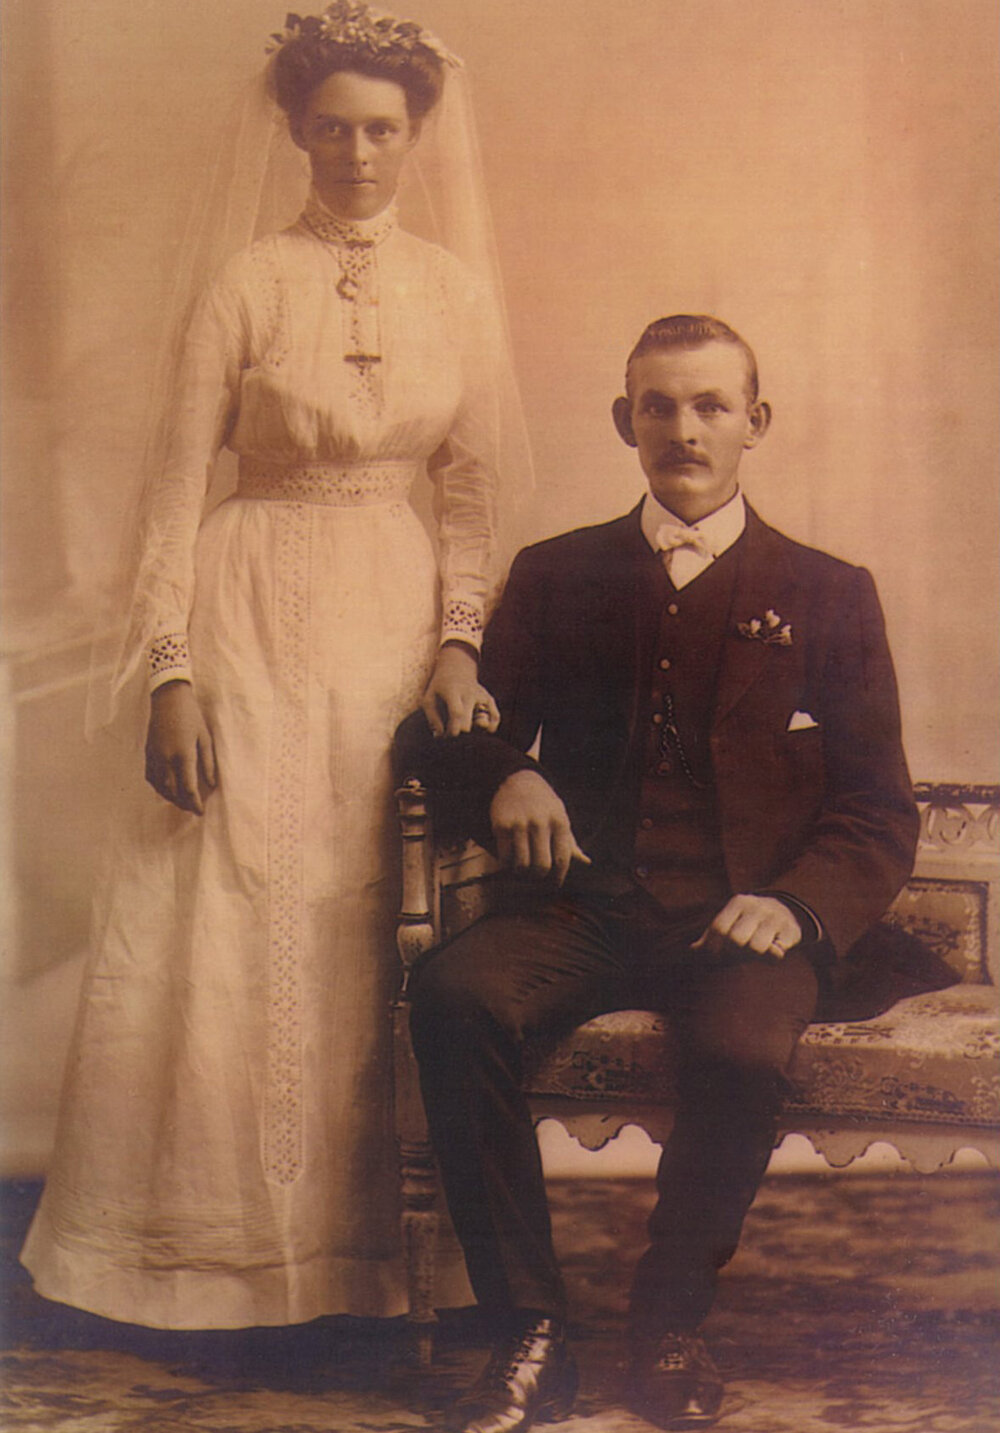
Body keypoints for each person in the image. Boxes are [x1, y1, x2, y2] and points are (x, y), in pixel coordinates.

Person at [21, 1, 522, 1331]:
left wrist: (459, 640)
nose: (358, 154)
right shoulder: (247, 279)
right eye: (333, 130)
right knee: (235, 899)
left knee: (373, 899)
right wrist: (170, 671)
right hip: (247, 609)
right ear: (297, 133)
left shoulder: (452, 290)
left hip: (391, 618)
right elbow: (174, 486)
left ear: (413, 135)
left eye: (381, 130)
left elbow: (467, 493)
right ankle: (208, 1264)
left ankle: (377, 1259)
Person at [396, 315, 920, 1431]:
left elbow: (878, 804)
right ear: (623, 419)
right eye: (658, 406)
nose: (682, 429)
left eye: (710, 405)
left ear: (754, 423)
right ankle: (529, 1328)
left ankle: (668, 1319)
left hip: (745, 920)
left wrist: (794, 903)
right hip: (591, 904)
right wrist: (500, 772)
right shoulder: (558, 574)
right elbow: (439, 734)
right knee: (450, 992)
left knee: (737, 1046)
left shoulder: (826, 589)